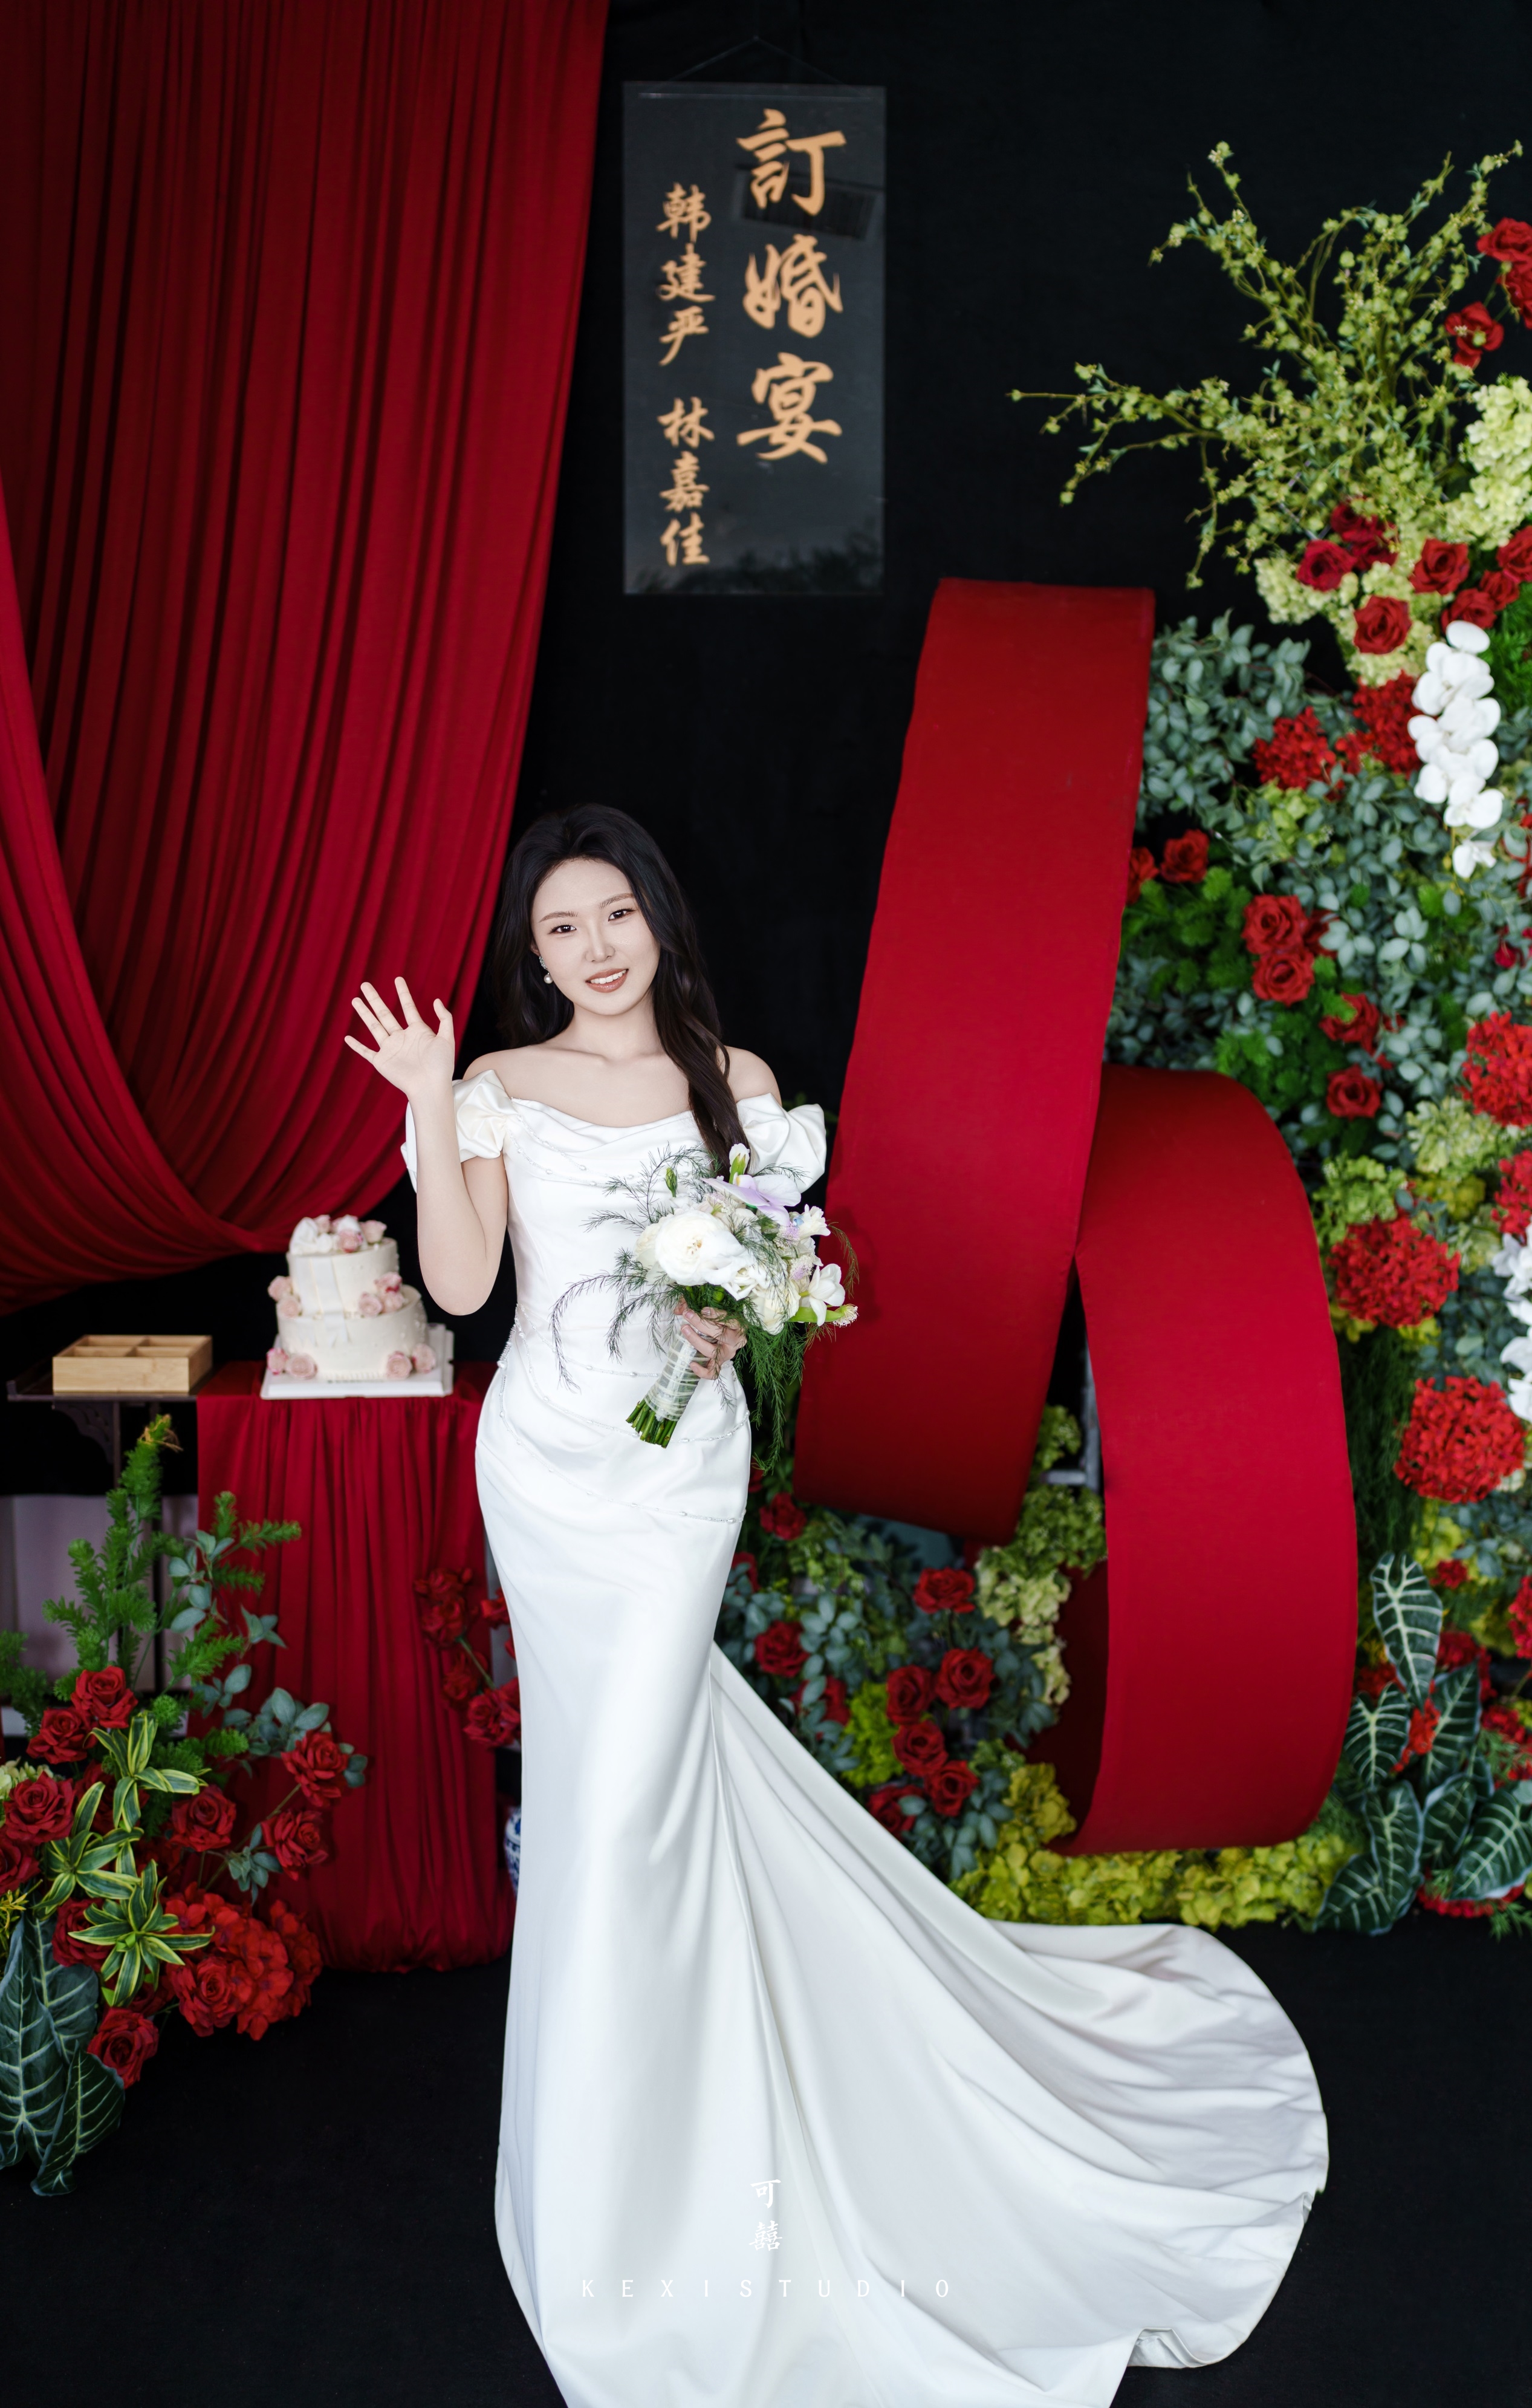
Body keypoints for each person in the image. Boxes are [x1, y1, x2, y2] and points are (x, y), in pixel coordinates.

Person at [348, 802, 1326, 2408]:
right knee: (605, 1795)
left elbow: (770, 1278)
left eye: (614, 915)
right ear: (534, 960)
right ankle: (618, 2158)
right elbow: (461, 1291)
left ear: (657, 917)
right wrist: (421, 1105)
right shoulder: (499, 1086)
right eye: (560, 932)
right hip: (546, 1469)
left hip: (674, 1479)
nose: (595, 950)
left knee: (627, 1802)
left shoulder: (734, 1083)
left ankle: (651, 2168)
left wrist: (732, 1319)